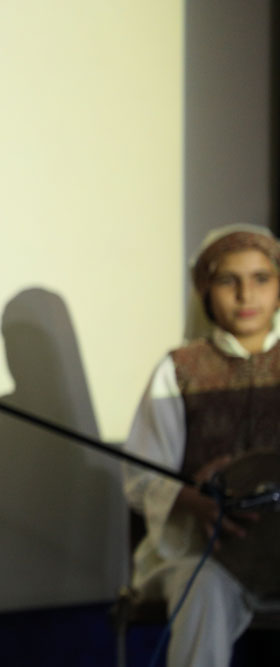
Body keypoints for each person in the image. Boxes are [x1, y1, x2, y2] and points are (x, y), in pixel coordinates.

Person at [123, 224, 280, 667]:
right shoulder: (178, 370)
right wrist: (192, 500)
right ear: (206, 292)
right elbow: (140, 477)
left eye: (261, 278)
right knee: (204, 587)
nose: (246, 294)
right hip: (200, 553)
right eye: (229, 280)